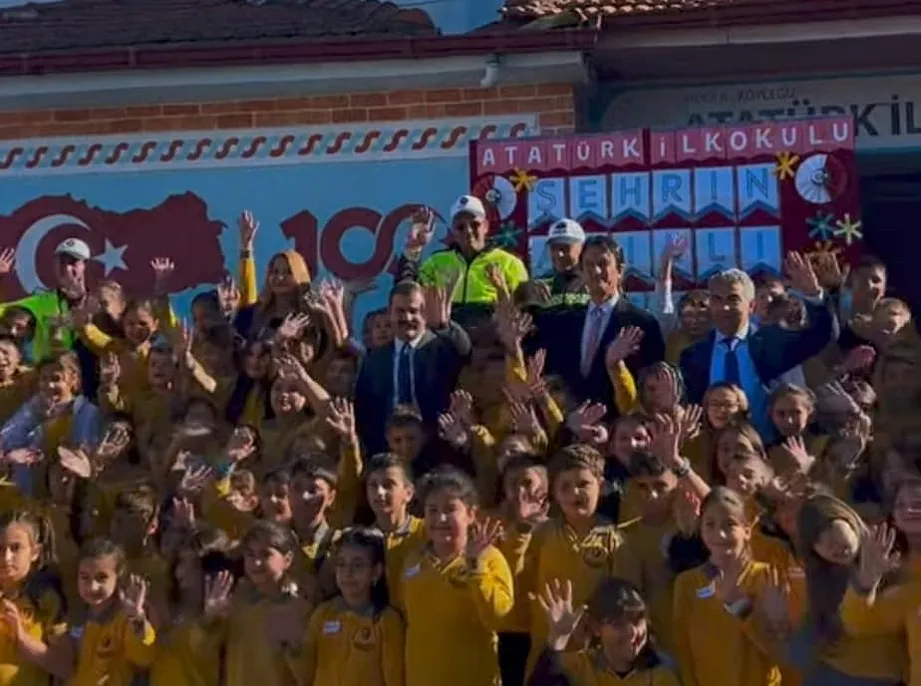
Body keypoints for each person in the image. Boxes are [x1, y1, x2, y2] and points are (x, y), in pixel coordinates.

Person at [680, 253, 836, 435]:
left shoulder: (771, 342)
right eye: (717, 300)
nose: (724, 308)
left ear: (751, 306)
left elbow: (821, 337)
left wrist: (813, 295)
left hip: (766, 446)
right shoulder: (693, 355)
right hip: (716, 448)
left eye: (733, 299)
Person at [531, 234, 666, 411]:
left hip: (621, 423)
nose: (595, 271)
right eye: (589, 265)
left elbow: (652, 387)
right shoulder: (563, 322)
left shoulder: (642, 324)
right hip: (572, 421)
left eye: (603, 264)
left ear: (620, 270)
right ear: (581, 271)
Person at [354, 280, 471, 455]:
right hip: (389, 452)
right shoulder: (374, 359)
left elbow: (465, 352)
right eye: (400, 311)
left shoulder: (442, 348)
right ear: (390, 313)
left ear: (424, 312)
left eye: (413, 311)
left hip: (439, 449)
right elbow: (365, 408)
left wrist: (445, 326)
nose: (407, 318)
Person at [397, 196, 529, 325]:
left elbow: (525, 313)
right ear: (453, 232)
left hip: (492, 336)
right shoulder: (436, 262)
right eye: (461, 227)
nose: (468, 231)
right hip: (447, 335)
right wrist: (414, 247)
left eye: (475, 225)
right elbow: (405, 294)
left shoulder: (510, 263)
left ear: (486, 226)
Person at [532, 218, 588, 309]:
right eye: (553, 248)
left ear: (582, 248)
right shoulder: (541, 284)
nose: (559, 254)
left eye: (565, 248)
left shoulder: (593, 281)